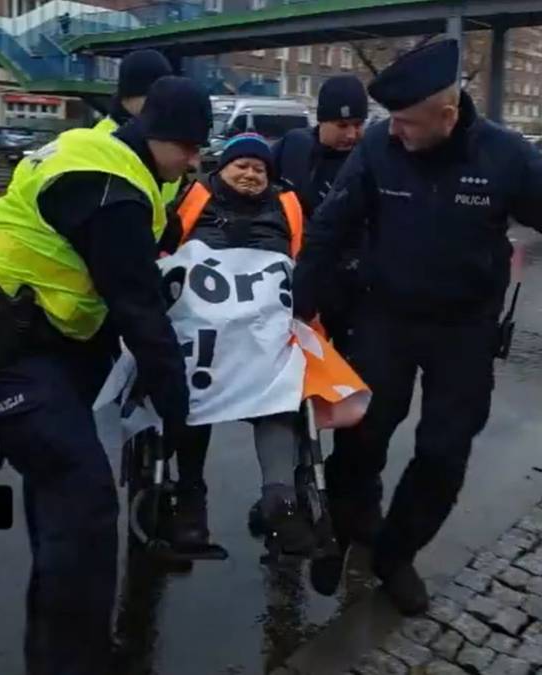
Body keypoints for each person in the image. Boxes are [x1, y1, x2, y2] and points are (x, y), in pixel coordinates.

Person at [0, 76, 209, 673]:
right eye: (189, 148)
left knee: (60, 495)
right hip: (2, 345)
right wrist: (177, 403)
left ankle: (63, 651)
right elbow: (136, 303)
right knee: (83, 496)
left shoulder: (104, 152)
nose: (194, 161)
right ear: (158, 136)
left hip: (30, 339)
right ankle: (73, 660)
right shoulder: (114, 190)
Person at [293, 38, 542, 615]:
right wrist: (299, 309)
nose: (393, 130)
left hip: (465, 329)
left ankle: (395, 554)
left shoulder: (505, 156)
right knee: (361, 433)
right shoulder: (380, 147)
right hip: (386, 317)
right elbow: (330, 228)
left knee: (444, 451)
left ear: (447, 115)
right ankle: (350, 521)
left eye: (406, 121)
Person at [159, 133, 315, 557]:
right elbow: (165, 255)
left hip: (264, 329)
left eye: (259, 168)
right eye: (241, 165)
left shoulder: (287, 207)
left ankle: (279, 499)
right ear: (221, 169)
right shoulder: (194, 199)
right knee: (191, 382)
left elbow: (304, 261)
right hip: (202, 329)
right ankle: (191, 497)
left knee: (282, 386)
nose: (250, 174)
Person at [273, 74, 368, 355]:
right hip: (299, 283)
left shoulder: (371, 158)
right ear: (321, 120)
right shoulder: (294, 148)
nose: (351, 134)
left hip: (353, 292)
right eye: (342, 125)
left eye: (358, 125)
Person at [92, 50, 183, 204]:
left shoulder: (165, 138)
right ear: (129, 96)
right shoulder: (99, 143)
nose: (161, 106)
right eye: (153, 99)